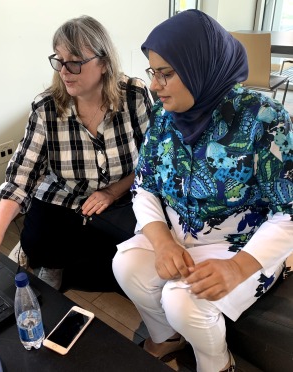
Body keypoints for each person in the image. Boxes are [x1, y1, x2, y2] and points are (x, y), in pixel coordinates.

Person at [112, 9, 293, 372]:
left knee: (184, 301)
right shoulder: (165, 119)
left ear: (202, 68)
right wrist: (162, 241)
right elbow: (145, 186)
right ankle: (167, 340)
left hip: (243, 244)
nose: (154, 85)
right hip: (179, 232)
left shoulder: (265, 120)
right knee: (127, 265)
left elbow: (288, 212)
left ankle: (217, 363)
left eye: (166, 74)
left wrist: (238, 267)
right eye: (153, 72)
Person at [0, 15, 152, 292]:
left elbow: (155, 157)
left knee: (126, 256)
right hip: (63, 194)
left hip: (122, 193)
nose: (64, 71)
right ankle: (49, 265)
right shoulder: (46, 107)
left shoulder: (134, 94)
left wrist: (113, 192)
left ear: (104, 63)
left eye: (75, 61)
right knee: (37, 241)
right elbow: (22, 172)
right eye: (59, 60)